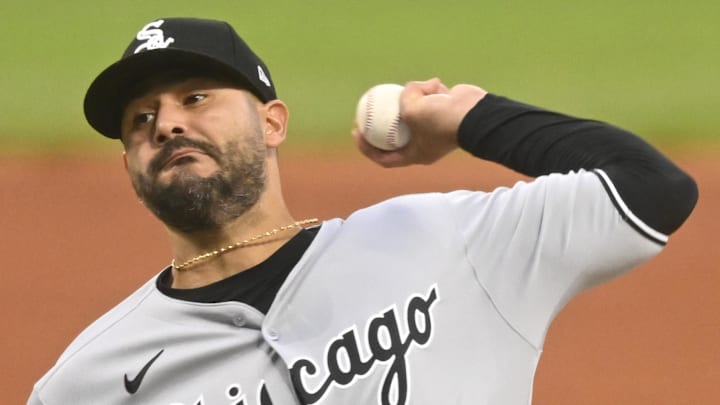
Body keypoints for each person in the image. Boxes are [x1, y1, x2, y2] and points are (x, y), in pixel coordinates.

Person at [29, 17, 697, 405]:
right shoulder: (90, 379)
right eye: (141, 118)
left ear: (273, 122)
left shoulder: (447, 243)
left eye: (196, 98)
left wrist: (467, 117)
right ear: (128, 167)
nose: (167, 123)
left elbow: (651, 187)